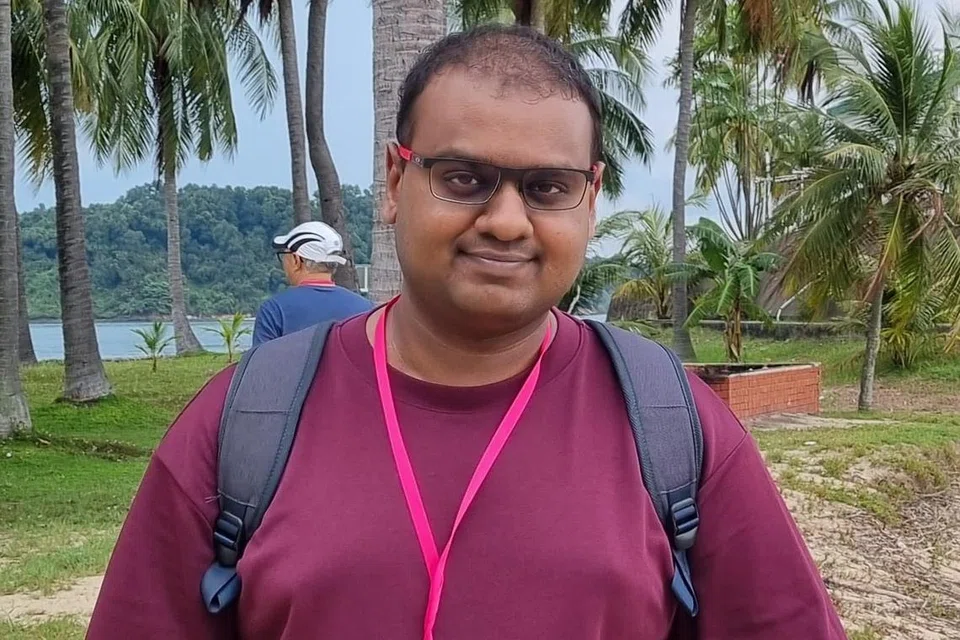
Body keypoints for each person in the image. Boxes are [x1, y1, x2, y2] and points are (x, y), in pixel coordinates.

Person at [87, 24, 847, 640]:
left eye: (548, 187)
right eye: (463, 178)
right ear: (395, 182)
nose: (507, 222)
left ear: (590, 200)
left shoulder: (674, 427)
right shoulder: (243, 423)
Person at [251, 220, 372, 345]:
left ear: (296, 260)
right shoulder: (366, 309)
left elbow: (261, 357)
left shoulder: (274, 310)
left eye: (284, 255)